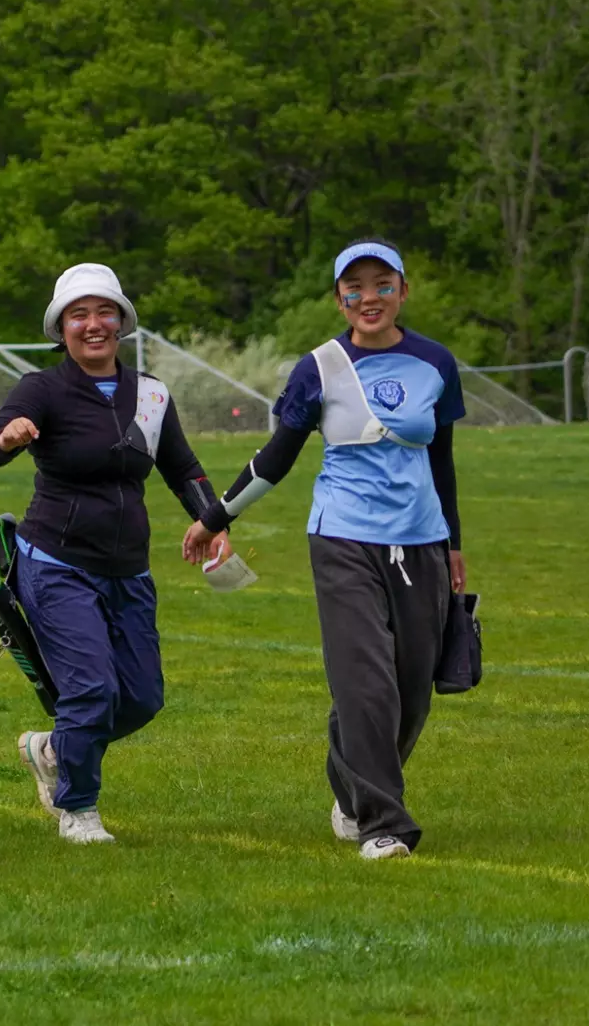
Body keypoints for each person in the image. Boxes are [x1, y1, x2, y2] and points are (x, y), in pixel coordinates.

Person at [182, 239, 466, 861]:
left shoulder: (436, 363)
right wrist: (215, 516)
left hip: (421, 540)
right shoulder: (319, 368)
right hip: (341, 537)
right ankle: (383, 825)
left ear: (403, 292)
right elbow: (277, 457)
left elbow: (440, 460)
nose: (370, 297)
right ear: (339, 298)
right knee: (366, 683)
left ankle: (351, 789)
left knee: (412, 690)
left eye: (382, 284)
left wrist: (453, 547)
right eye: (355, 287)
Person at [0, 263, 230, 844]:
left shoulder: (152, 394)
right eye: (78, 315)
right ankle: (78, 808)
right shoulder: (40, 389)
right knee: (91, 688)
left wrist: (212, 519)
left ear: (121, 322)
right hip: (56, 563)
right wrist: (8, 436)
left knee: (141, 697)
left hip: (129, 569)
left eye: (103, 312)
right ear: (61, 328)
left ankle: (52, 749)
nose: (93, 325)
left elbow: (181, 466)